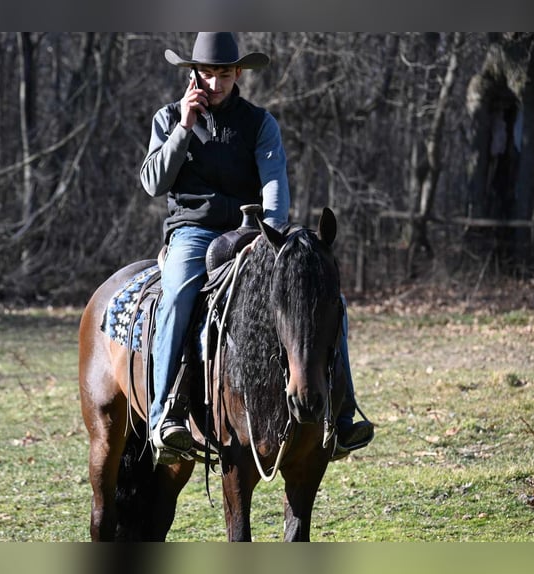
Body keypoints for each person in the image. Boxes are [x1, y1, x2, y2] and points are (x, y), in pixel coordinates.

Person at [140, 32, 373, 463]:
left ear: (238, 73)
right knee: (176, 295)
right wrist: (184, 128)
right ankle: (163, 416)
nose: (214, 83)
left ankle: (342, 412)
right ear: (193, 73)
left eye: (223, 73)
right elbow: (153, 182)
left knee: (325, 297)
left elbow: (273, 184)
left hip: (253, 231)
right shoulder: (168, 117)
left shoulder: (259, 123)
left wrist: (273, 233)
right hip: (192, 232)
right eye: (206, 73)